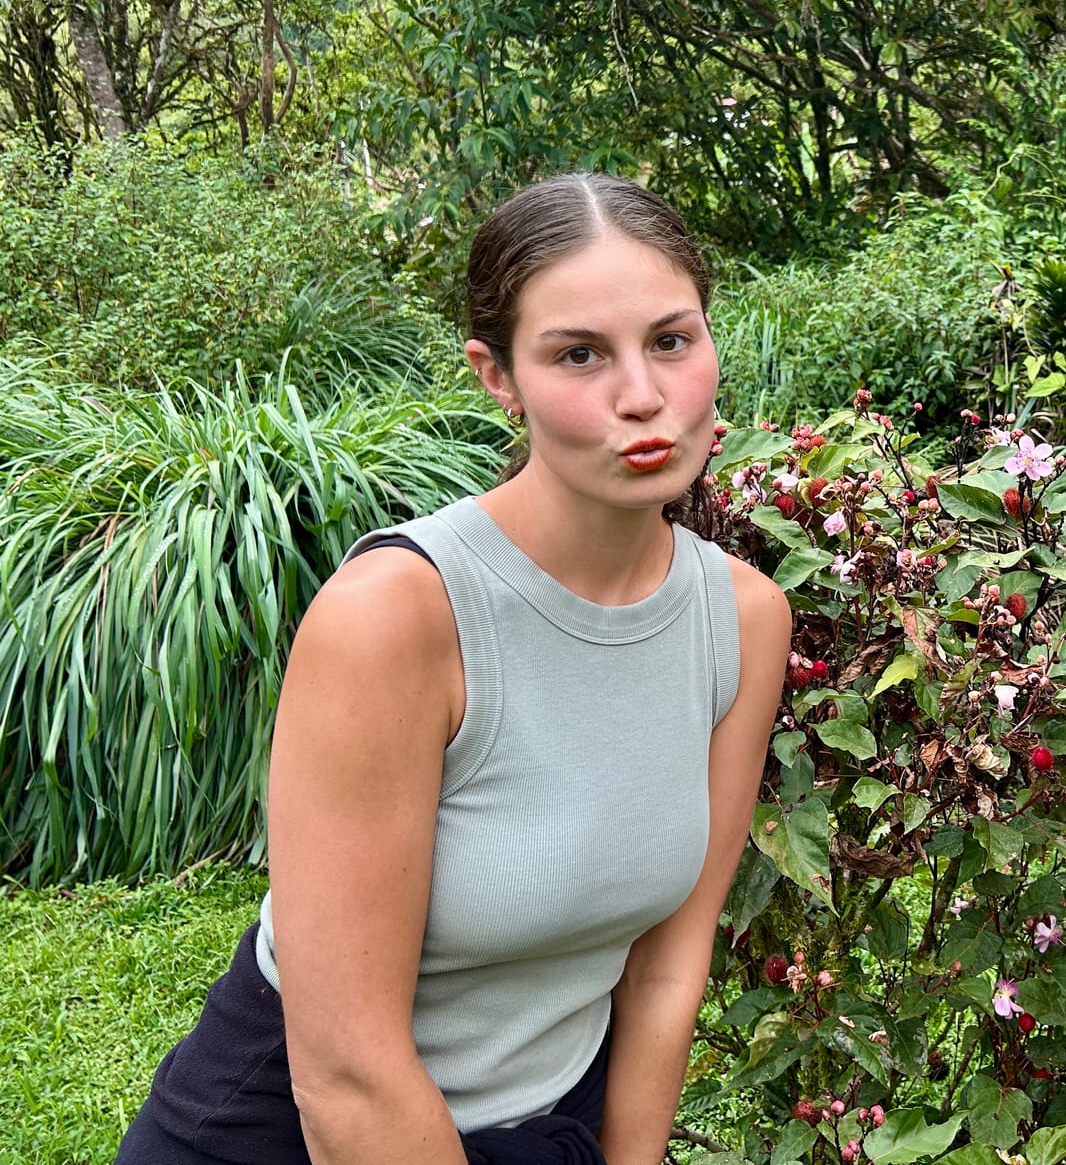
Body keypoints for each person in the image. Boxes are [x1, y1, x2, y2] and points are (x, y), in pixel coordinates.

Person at [117, 174, 790, 1165]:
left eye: (670, 341)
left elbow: (665, 971)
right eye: (578, 354)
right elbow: (349, 1073)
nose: (643, 396)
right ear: (498, 376)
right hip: (299, 1132)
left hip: (550, 1123)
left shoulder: (741, 620)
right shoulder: (396, 616)